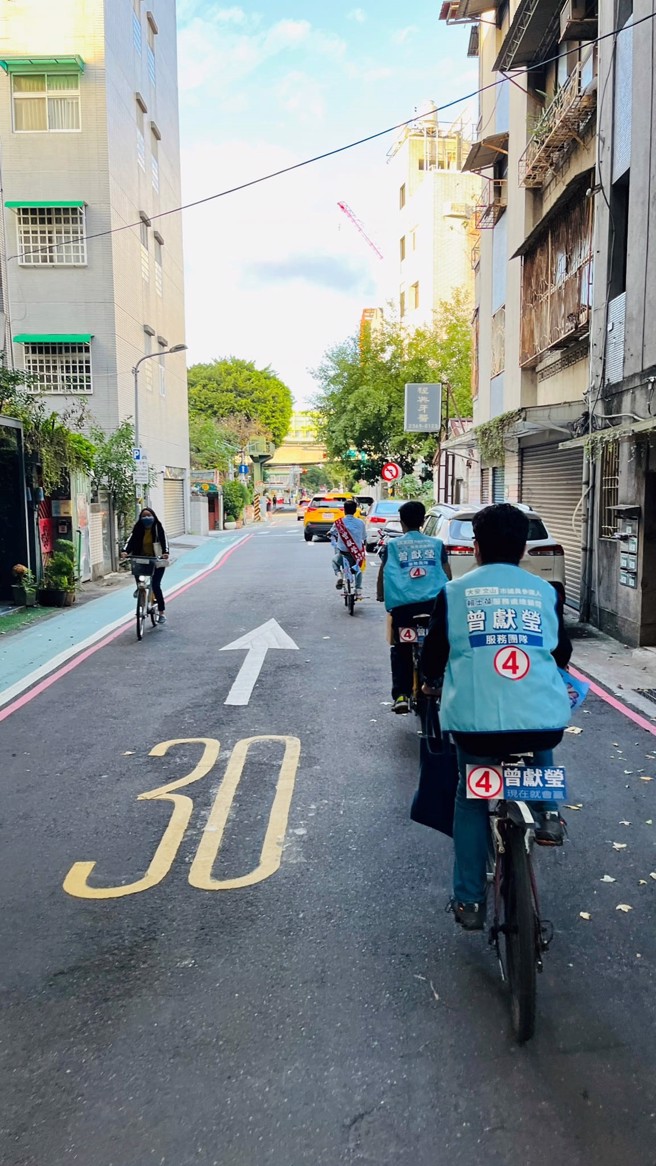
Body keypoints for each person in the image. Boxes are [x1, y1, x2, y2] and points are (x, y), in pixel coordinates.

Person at [420, 503, 572, 931]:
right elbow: (561, 653)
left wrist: (431, 681)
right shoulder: (544, 592)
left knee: (470, 801)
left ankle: (469, 900)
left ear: (476, 547)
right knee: (538, 724)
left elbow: (433, 656)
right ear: (524, 548)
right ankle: (547, 815)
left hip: (475, 726)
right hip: (543, 722)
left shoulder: (454, 593)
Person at [377, 500, 451, 714]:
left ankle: (401, 694)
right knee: (438, 643)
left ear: (402, 523)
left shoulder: (392, 546)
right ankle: (438, 683)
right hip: (435, 606)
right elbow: (447, 573)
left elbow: (383, 573)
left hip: (404, 608)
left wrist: (381, 595)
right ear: (422, 521)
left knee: (401, 648)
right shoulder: (437, 545)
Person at [122, 507, 170, 624]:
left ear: (153, 516)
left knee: (156, 585)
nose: (146, 518)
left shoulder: (158, 528)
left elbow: (165, 541)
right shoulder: (138, 528)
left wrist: (165, 553)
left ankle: (162, 612)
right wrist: (125, 551)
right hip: (141, 559)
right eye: (144, 516)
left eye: (149, 515)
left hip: (156, 560)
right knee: (139, 579)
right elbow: (130, 541)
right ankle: (140, 589)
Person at [330, 499, 366, 598]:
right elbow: (364, 537)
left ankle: (339, 575)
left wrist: (330, 534)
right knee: (359, 568)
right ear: (355, 511)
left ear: (344, 510)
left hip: (343, 554)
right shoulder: (361, 523)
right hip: (356, 554)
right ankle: (358, 590)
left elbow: (332, 532)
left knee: (334, 561)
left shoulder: (339, 522)